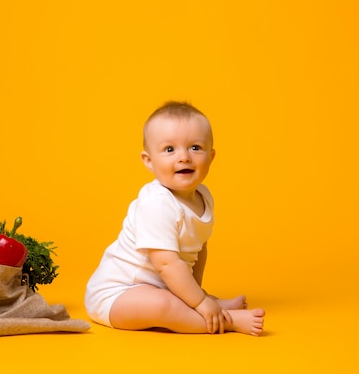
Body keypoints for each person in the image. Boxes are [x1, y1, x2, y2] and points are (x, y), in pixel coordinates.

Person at [84, 101, 265, 336]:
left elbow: (199, 249)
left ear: (211, 157)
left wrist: (197, 293)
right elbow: (167, 263)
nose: (184, 157)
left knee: (181, 296)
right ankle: (226, 321)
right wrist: (199, 302)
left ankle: (209, 308)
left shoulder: (204, 196)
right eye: (170, 149)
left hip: (162, 285)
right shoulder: (156, 203)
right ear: (149, 161)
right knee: (164, 306)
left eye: (195, 148)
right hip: (117, 295)